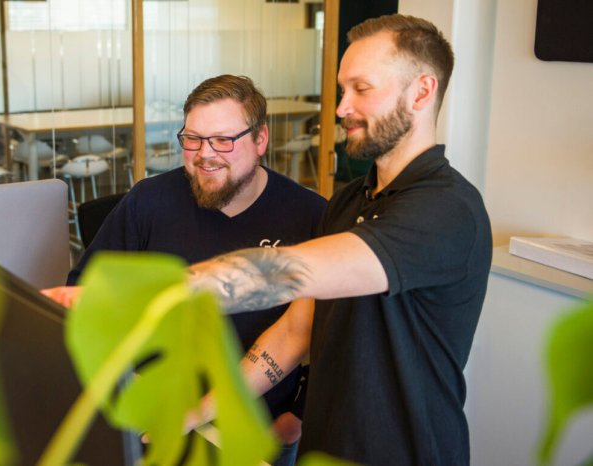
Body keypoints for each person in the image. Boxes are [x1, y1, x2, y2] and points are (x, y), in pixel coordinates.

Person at [187, 15, 493, 466]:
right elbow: (296, 331)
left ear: (422, 92)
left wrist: (155, 292)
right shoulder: (348, 200)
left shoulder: (448, 210)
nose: (341, 108)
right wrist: (195, 413)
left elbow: (291, 272)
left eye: (361, 89)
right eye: (341, 89)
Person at [54, 74, 328, 465]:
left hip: (253, 427)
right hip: (154, 416)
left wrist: (293, 419)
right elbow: (84, 288)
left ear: (260, 140)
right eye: (193, 139)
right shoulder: (148, 202)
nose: (205, 154)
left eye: (223, 140)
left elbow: (321, 334)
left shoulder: (310, 215)